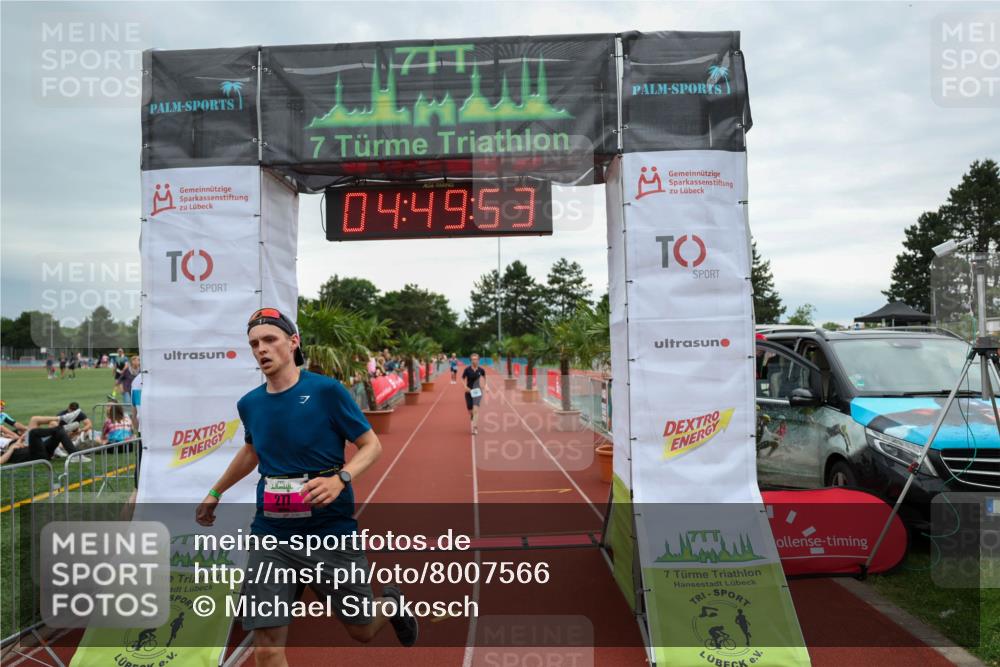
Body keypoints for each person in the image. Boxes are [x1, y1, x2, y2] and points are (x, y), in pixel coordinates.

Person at [195, 307, 417, 666]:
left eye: (270, 339)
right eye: (254, 344)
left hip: (328, 531)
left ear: (293, 342)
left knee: (361, 630)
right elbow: (251, 451)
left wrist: (340, 478)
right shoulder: (249, 403)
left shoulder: (326, 392)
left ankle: (390, 604)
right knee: (266, 648)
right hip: (272, 534)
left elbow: (371, 445)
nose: (261, 349)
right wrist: (215, 492)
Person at [461, 353, 486, 435]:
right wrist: (465, 387)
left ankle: (475, 427)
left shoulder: (481, 370)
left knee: (476, 410)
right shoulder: (467, 370)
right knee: (470, 409)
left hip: (477, 392)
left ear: (478, 360)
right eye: (472, 359)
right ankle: (471, 415)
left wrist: (485, 385)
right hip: (469, 391)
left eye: (476, 359)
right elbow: (462, 378)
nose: (474, 361)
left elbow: (485, 377)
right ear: (470, 360)